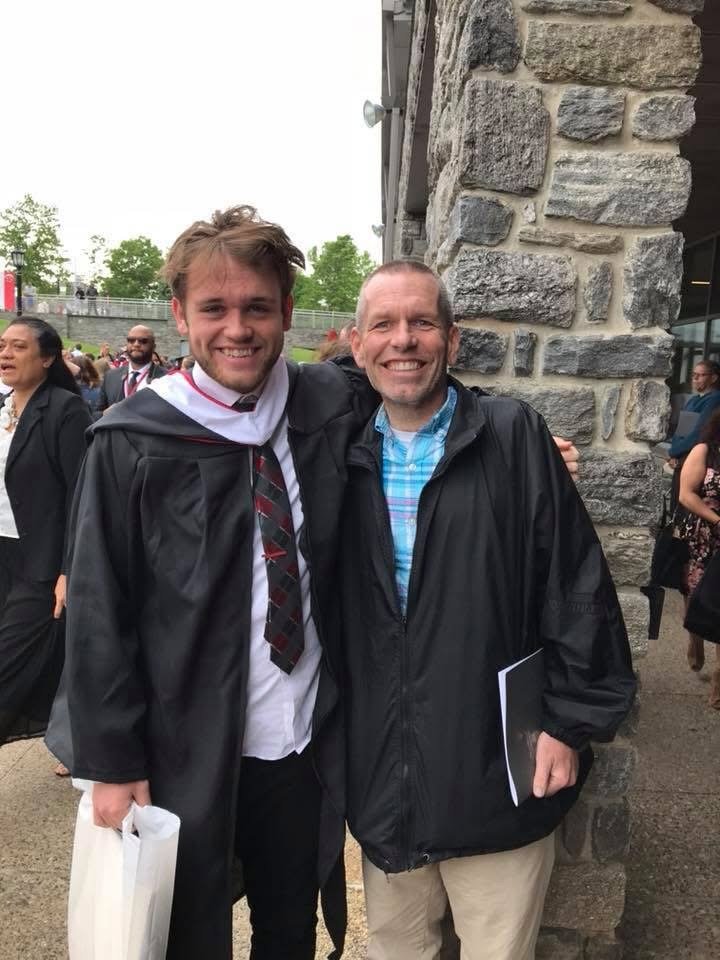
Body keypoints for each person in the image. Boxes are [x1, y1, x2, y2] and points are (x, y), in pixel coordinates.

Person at [64, 207, 580, 959]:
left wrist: (519, 447)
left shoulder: (322, 401)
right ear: (178, 314)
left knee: (289, 925)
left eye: (258, 308)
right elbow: (98, 611)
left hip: (301, 741)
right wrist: (111, 762)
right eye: (213, 309)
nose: (237, 327)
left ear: (289, 314)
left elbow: (411, 372)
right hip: (184, 742)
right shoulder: (131, 441)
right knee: (182, 927)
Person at [340, 261, 636, 960]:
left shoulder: (512, 437)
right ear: (357, 346)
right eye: (383, 325)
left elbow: (576, 585)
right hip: (387, 771)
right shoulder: (338, 450)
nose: (402, 340)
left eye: (421, 323)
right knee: (395, 949)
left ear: (452, 338)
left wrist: (568, 723)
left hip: (497, 766)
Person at [0, 317, 91, 748]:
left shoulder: (63, 410)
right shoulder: (3, 408)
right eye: (2, 345)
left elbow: (81, 494)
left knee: (9, 663)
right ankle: (75, 733)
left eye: (18, 347)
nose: (5, 353)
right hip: (1, 553)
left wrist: (69, 569)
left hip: (39, 563)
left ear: (48, 357)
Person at [678, 408, 720, 700]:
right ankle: (696, 640)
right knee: (698, 598)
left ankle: (719, 686)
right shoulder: (704, 451)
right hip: (703, 539)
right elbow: (686, 494)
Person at [97, 324, 167, 412]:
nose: (136, 344)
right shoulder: (111, 377)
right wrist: (104, 414)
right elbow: (96, 414)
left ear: (153, 346)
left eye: (143, 341)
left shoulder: (167, 379)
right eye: (131, 340)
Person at [669, 360, 720, 465]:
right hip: (681, 457)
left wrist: (673, 452)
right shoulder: (693, 399)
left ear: (713, 378)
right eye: (694, 374)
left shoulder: (715, 399)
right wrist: (674, 453)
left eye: (700, 375)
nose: (695, 378)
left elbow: (700, 432)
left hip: (696, 460)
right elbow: (681, 430)